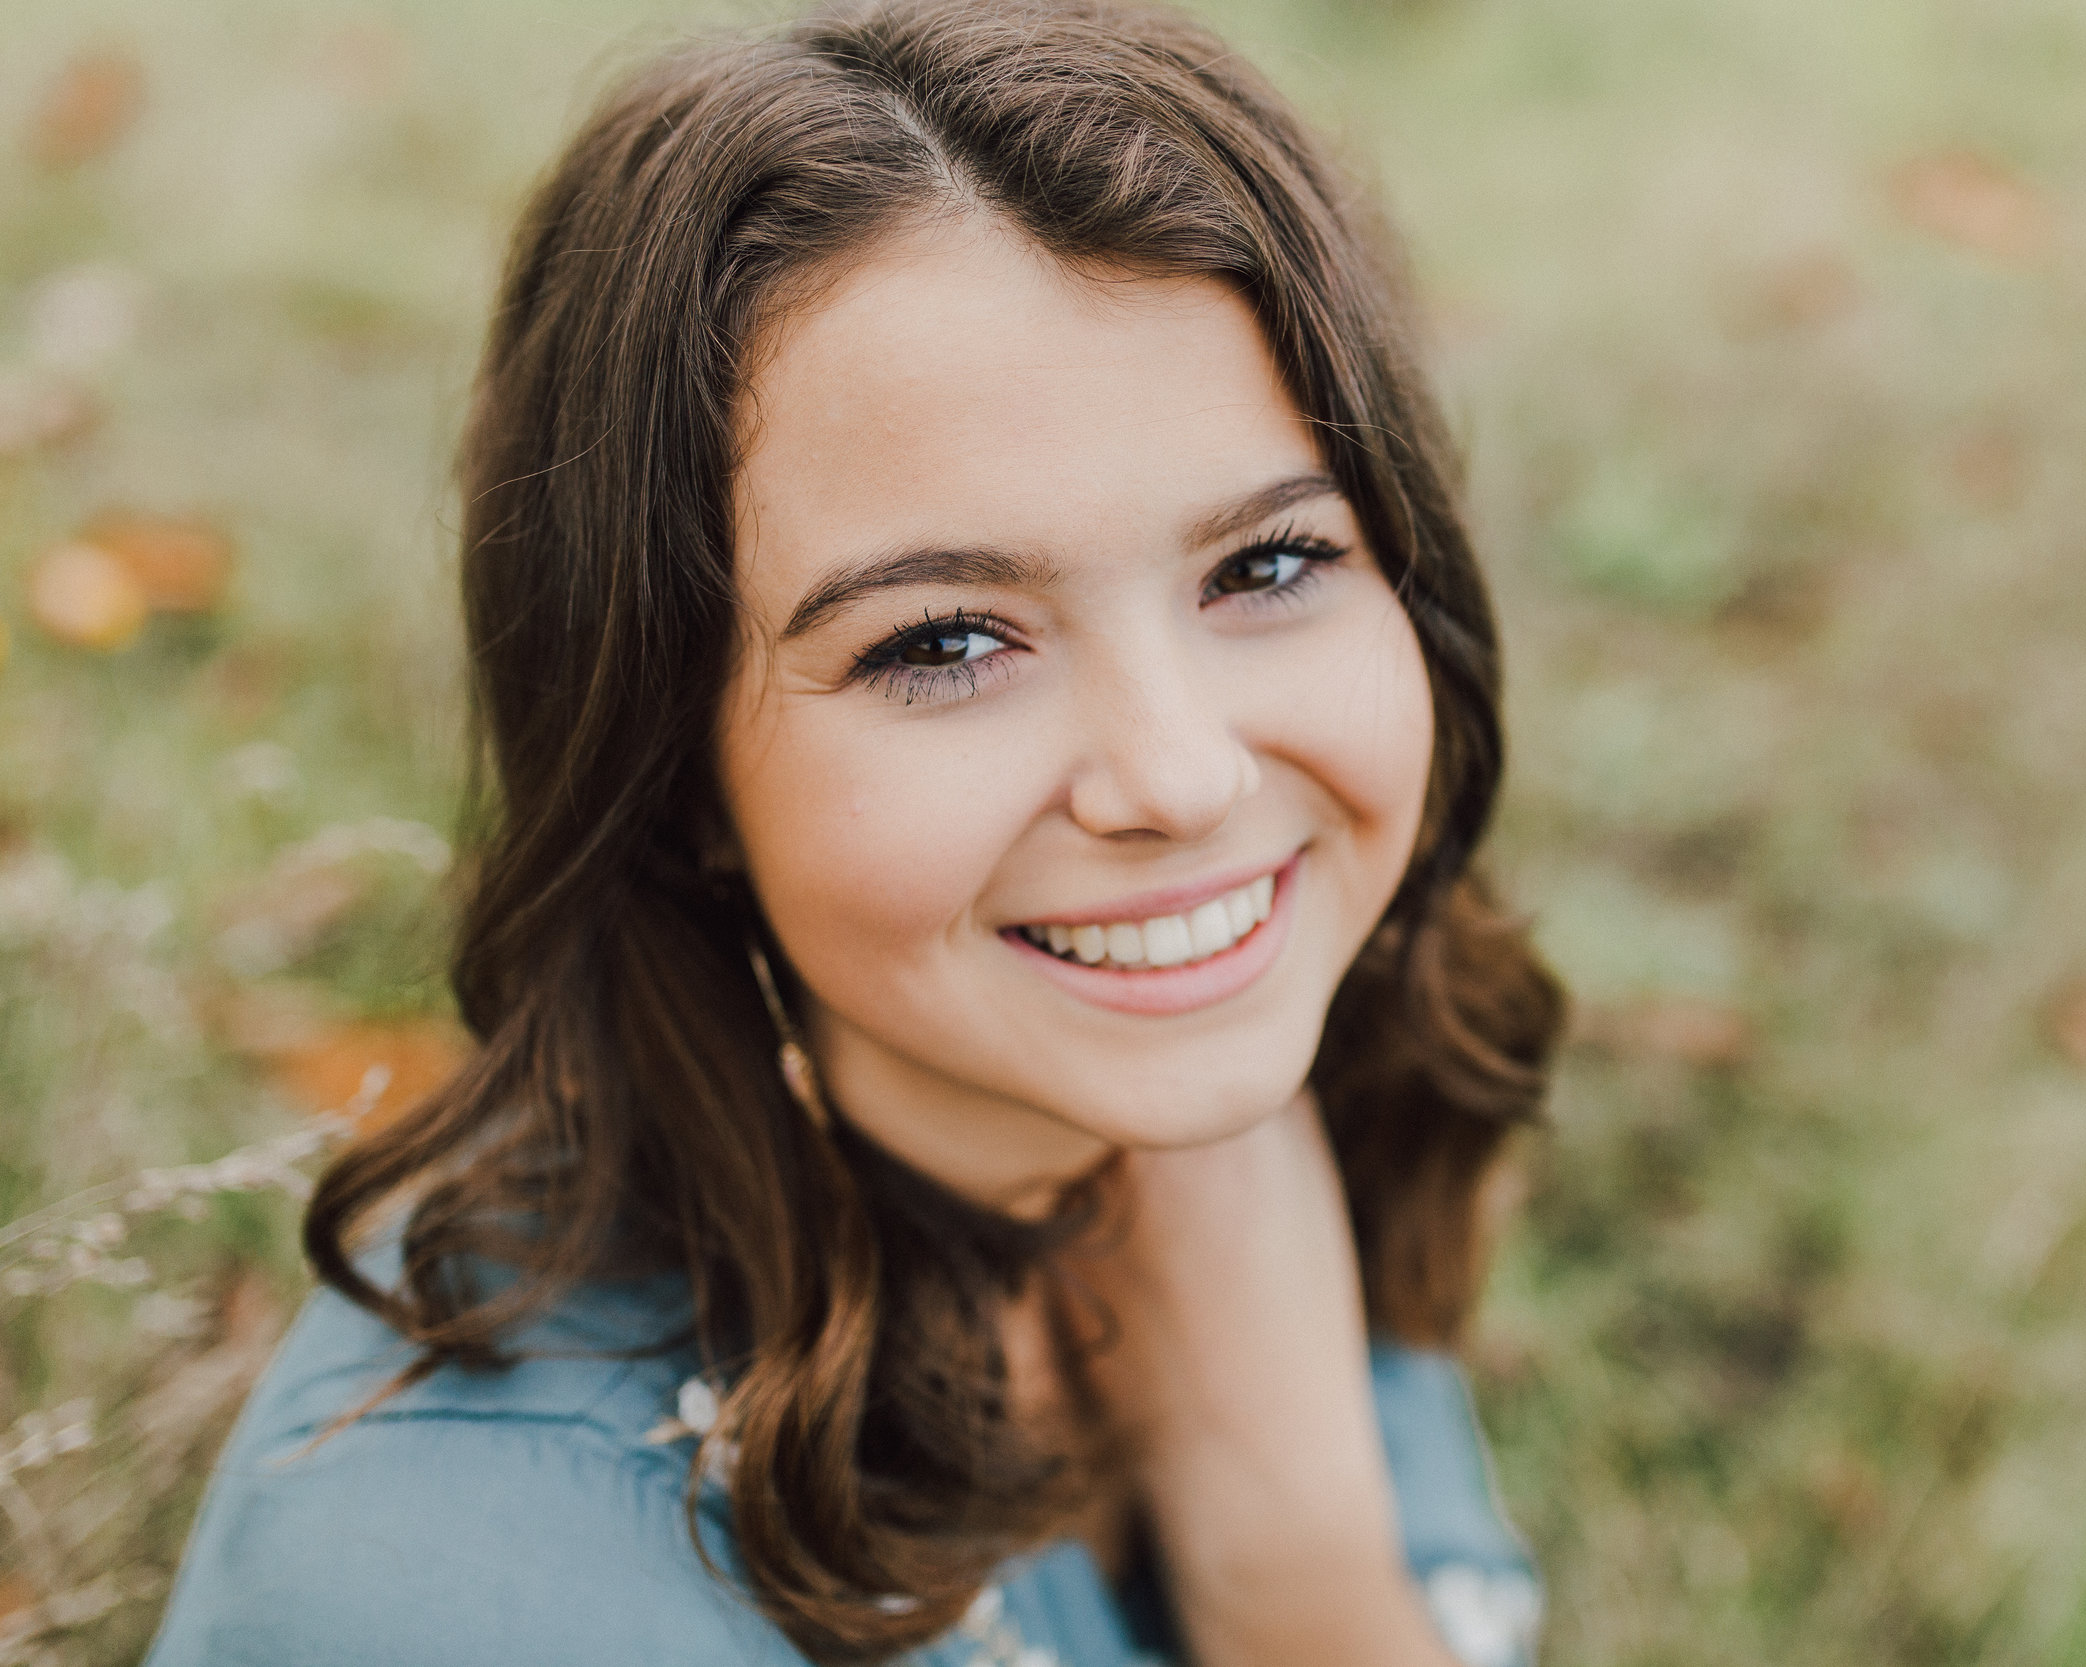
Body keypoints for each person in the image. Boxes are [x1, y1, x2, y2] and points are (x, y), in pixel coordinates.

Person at [144, 1, 1563, 1662]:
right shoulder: (461, 1587)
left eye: (1266, 566)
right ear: (671, 764)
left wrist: (1285, 1528)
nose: (1179, 780)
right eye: (945, 642)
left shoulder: (1222, 1094)